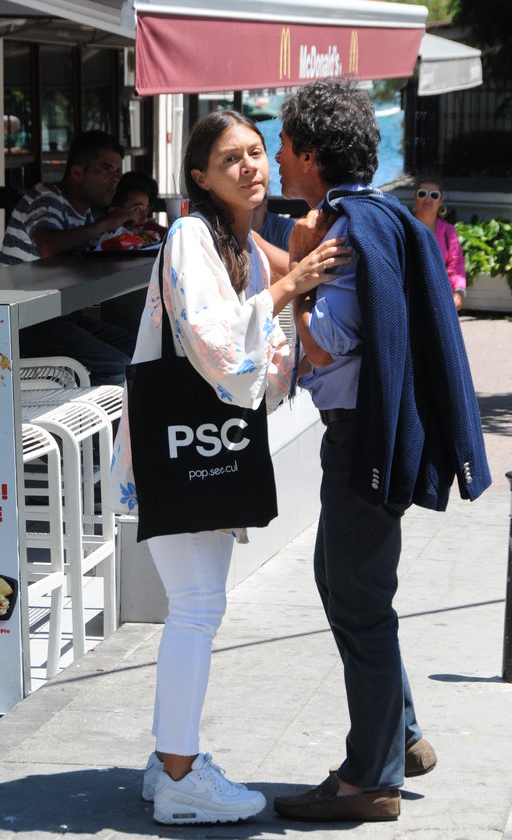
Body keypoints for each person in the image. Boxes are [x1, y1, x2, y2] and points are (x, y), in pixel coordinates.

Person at [108, 109, 351, 826]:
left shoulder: (239, 242)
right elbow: (214, 343)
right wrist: (288, 286)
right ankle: (180, 776)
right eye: (230, 159)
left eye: (256, 151)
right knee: (197, 606)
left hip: (198, 445)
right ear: (200, 178)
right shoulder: (191, 235)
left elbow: (262, 361)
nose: (250, 166)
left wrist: (288, 288)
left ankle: (169, 761)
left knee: (197, 605)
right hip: (183, 446)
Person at [271, 78, 491, 823]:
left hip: (362, 438)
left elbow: (328, 345)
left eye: (282, 145)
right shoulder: (382, 214)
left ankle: (370, 778)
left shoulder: (339, 230)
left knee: (359, 600)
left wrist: (299, 277)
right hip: (379, 433)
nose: (275, 158)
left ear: (309, 153)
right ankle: (405, 736)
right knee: (341, 581)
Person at [0, 130, 137, 384]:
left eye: (118, 171)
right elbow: (47, 245)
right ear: (77, 172)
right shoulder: (45, 198)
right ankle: (104, 411)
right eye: (105, 169)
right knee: (117, 366)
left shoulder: (83, 212)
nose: (115, 179)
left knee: (140, 348)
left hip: (62, 317)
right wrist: (104, 224)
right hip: (24, 324)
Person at [413, 177, 467, 311]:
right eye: (422, 193)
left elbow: (456, 265)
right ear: (415, 197)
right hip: (408, 301)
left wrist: (459, 291)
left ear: (441, 200)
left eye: (434, 195)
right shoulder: (401, 227)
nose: (427, 199)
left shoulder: (449, 232)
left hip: (439, 303)